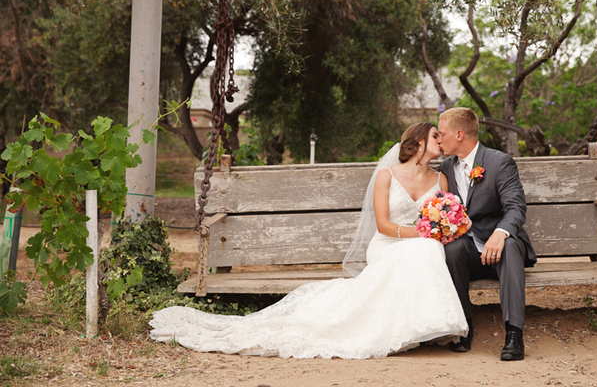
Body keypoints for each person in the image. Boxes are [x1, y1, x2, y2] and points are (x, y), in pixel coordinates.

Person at [149, 122, 468, 358]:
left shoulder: (440, 178)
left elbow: (444, 216)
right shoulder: (388, 175)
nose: (440, 141)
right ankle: (407, 327)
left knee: (427, 248)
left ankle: (424, 325)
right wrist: (422, 233)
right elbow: (383, 225)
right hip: (389, 244)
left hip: (416, 244)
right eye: (435, 137)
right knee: (425, 247)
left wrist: (440, 229)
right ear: (418, 142)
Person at [437, 107, 537, 361]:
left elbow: (516, 208)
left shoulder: (498, 162)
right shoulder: (445, 167)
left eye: (442, 133)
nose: (439, 139)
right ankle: (463, 329)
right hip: (469, 251)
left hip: (499, 247)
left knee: (511, 245)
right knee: (452, 248)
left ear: (460, 134)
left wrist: (500, 233)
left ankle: (514, 334)